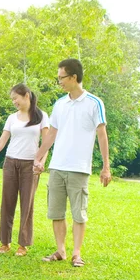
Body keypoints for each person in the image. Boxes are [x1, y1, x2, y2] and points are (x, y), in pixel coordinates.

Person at [33, 58, 111, 267]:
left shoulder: (94, 103)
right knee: (56, 212)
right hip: (57, 167)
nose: (59, 82)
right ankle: (60, 251)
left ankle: (77, 253)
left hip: (79, 168)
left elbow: (102, 135)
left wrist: (106, 166)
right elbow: (52, 134)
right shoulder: (60, 104)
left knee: (79, 213)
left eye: (62, 78)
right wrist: (39, 156)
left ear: (74, 77)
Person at [0, 84, 49, 256]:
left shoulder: (42, 116)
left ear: (26, 96)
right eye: (12, 99)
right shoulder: (12, 118)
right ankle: (5, 242)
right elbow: (1, 143)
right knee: (7, 202)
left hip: (31, 165)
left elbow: (46, 143)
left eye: (15, 98)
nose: (14, 102)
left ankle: (23, 244)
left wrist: (41, 162)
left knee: (27, 204)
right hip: (11, 163)